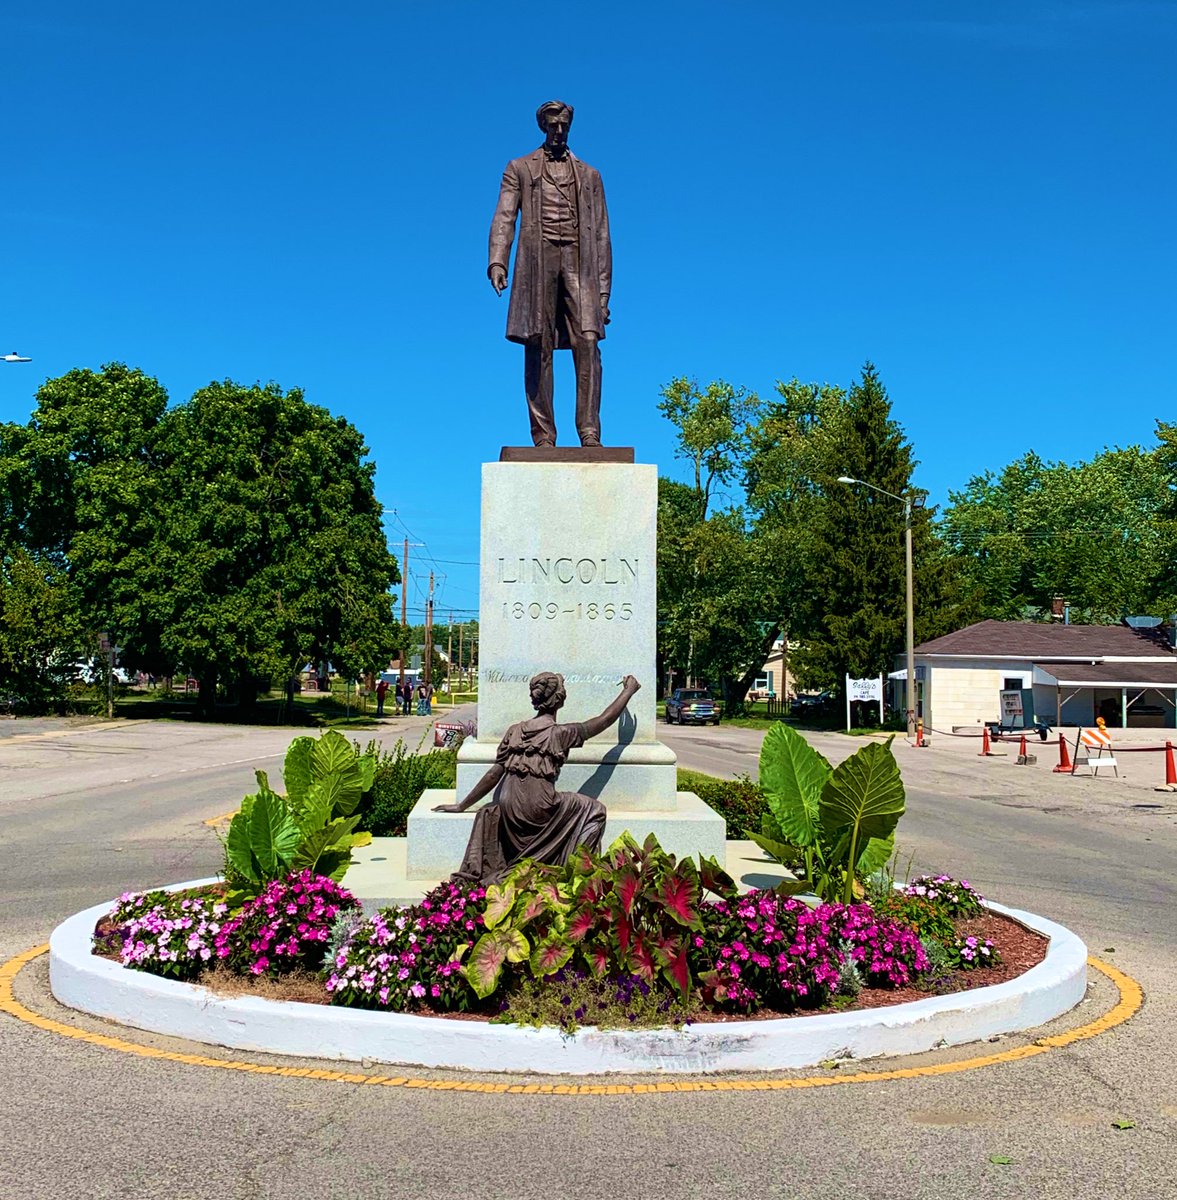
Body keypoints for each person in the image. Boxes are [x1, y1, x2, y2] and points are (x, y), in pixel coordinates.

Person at [435, 672, 641, 884]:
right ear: (560, 699)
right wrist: (628, 691)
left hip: (510, 810)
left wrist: (462, 805)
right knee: (596, 811)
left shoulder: (514, 731)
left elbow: (493, 774)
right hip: (540, 808)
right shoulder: (561, 733)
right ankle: (577, 874)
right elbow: (604, 720)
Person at [488, 100, 611, 448]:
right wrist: (497, 261)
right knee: (537, 341)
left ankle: (590, 431)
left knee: (588, 341)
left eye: (564, 125)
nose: (559, 131)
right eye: (553, 125)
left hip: (579, 261)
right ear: (543, 126)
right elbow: (504, 217)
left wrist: (603, 294)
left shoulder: (590, 175)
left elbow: (602, 235)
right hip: (537, 261)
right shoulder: (519, 168)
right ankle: (543, 436)